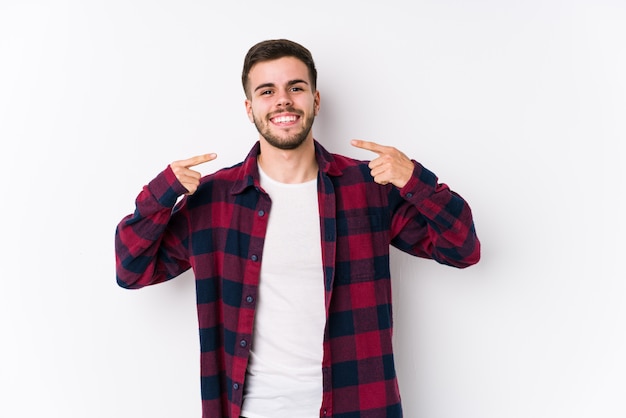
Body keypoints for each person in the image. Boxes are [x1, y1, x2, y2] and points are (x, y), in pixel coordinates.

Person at [115, 38, 481, 418]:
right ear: (249, 108)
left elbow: (462, 249)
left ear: (315, 100)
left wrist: (414, 181)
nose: (283, 101)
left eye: (296, 88)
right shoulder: (213, 200)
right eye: (267, 91)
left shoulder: (368, 188)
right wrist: (162, 194)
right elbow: (131, 271)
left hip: (357, 405)